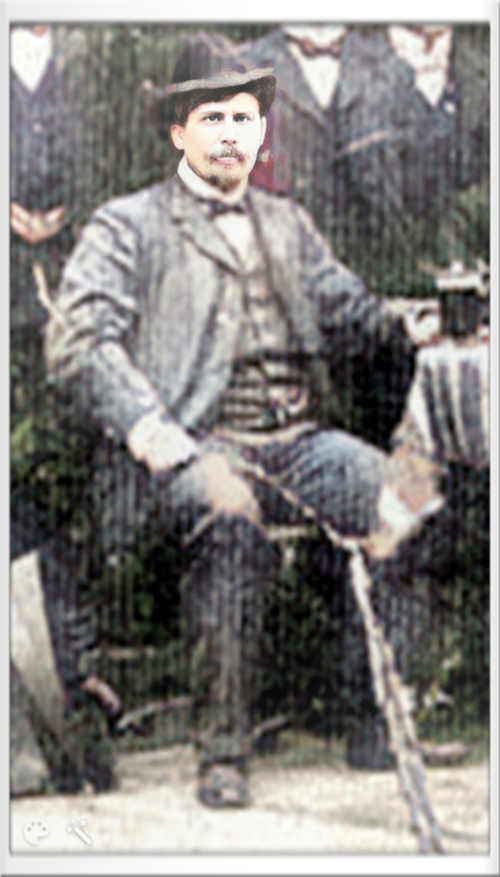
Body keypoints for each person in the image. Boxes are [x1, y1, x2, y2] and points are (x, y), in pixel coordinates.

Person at [44, 42, 441, 807]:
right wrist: (145, 423)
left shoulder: (289, 222)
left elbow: (353, 310)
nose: (232, 135)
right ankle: (222, 750)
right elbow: (77, 340)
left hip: (298, 438)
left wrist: (418, 327)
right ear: (177, 132)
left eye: (245, 120)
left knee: (411, 494)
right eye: (213, 119)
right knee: (230, 514)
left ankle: (375, 720)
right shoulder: (128, 225)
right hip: (199, 442)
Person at [10, 25, 122, 793]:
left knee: (67, 488)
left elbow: (128, 165)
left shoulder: (102, 50)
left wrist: (78, 223)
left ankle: (76, 690)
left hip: (76, 294)